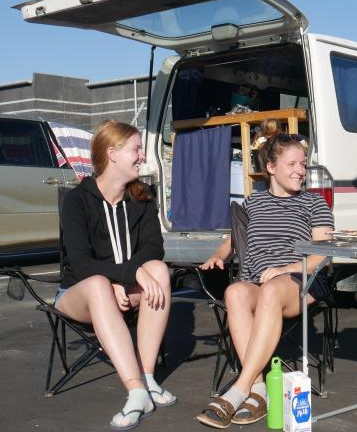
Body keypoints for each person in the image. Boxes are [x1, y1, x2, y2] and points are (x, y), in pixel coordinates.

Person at [195, 121, 334, 429]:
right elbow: (233, 239)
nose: (301, 170)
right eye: (292, 164)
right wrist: (218, 256)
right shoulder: (253, 202)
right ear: (271, 167)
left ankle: (238, 389)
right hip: (260, 280)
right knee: (234, 292)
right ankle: (259, 388)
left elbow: (323, 252)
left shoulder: (314, 202)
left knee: (272, 289)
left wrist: (285, 269)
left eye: (302, 164)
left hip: (301, 281)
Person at [56, 120, 175, 431]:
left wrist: (126, 279)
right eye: (135, 149)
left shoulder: (141, 196)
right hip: (79, 294)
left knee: (159, 270)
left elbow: (154, 248)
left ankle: (148, 377)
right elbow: (81, 265)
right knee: (97, 285)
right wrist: (123, 276)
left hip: (125, 289)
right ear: (112, 154)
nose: (141, 157)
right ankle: (136, 391)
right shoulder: (77, 201)